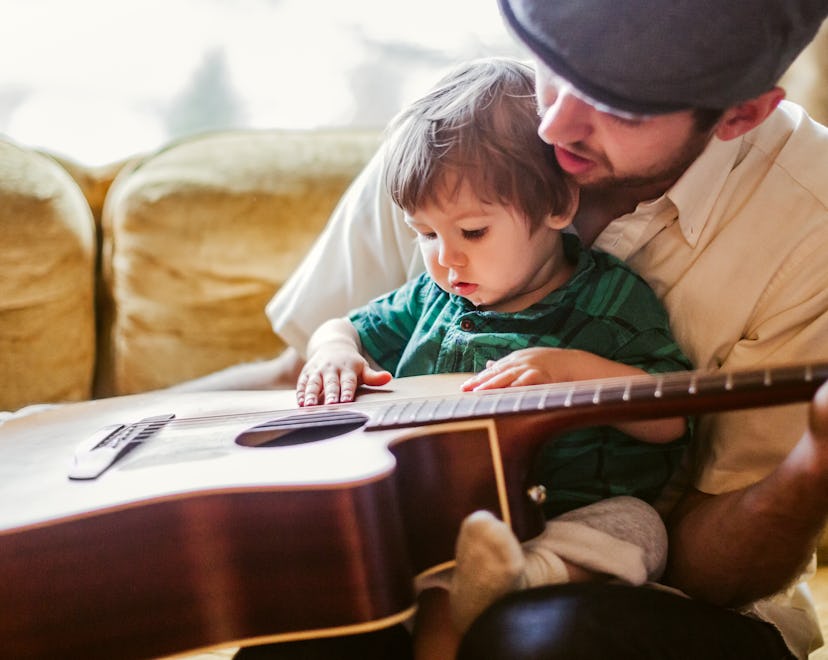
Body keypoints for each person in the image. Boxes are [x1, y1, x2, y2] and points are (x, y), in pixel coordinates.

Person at [203, 0, 828, 657]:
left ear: (742, 113)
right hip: (427, 528)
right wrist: (93, 436)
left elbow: (708, 567)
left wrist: (814, 466)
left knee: (530, 640)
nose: (554, 123)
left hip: (649, 580)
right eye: (553, 67)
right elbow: (301, 374)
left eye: (620, 105)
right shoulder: (457, 137)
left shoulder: (809, 225)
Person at [294, 56, 692, 651]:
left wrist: (577, 373)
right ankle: (468, 583)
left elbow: (672, 419)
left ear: (558, 207)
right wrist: (331, 351)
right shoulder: (431, 296)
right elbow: (345, 327)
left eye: (472, 232)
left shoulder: (609, 301)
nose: (446, 260)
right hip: (444, 518)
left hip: (570, 515)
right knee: (404, 582)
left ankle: (521, 577)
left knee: (641, 530)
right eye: (426, 235)